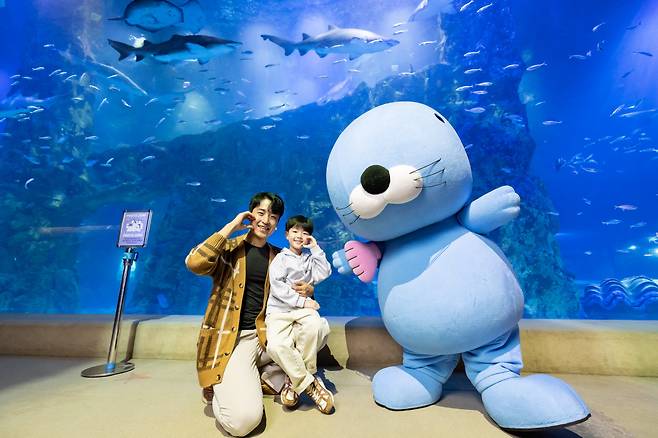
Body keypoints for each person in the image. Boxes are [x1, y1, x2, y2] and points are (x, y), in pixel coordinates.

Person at [185, 192, 327, 437]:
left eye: (272, 217)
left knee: (318, 329)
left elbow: (299, 292)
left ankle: (279, 378)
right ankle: (226, 385)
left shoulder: (280, 256)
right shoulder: (229, 249)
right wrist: (231, 226)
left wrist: (309, 289)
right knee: (243, 423)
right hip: (238, 340)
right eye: (260, 213)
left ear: (278, 224)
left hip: (269, 335)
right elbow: (194, 263)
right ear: (250, 215)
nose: (265, 221)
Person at [265, 215, 333, 413]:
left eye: (304, 233)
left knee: (316, 326)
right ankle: (309, 383)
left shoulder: (310, 259)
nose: (299, 236)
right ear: (287, 235)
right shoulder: (280, 259)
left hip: (302, 311)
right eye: (294, 231)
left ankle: (292, 380)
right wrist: (304, 301)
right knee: (276, 345)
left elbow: (325, 272)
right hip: (279, 311)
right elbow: (278, 288)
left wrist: (315, 248)